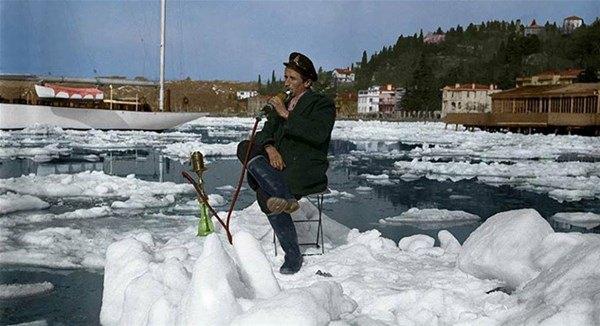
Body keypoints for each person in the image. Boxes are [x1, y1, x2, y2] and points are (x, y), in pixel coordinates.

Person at [237, 52, 335, 274]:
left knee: (265, 195)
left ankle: (293, 255)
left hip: (304, 168)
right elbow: (263, 135)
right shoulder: (284, 103)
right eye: (286, 77)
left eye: (292, 79)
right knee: (245, 146)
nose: (286, 83)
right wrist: (270, 148)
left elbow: (317, 134)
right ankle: (286, 198)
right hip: (278, 167)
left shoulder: (322, 104)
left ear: (307, 82)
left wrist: (286, 115)